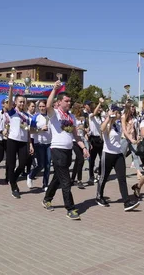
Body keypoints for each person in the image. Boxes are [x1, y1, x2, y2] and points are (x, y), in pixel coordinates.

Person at [41, 82, 89, 220]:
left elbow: (76, 135)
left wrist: (83, 147)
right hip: (57, 150)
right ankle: (70, 208)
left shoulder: (71, 117)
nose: (69, 103)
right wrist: (55, 89)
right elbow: (48, 105)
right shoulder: (55, 113)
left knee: (58, 177)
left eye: (70, 101)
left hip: (68, 151)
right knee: (66, 181)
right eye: (66, 101)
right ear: (60, 102)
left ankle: (47, 198)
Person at [95, 104, 140, 211]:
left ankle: (126, 202)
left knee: (122, 178)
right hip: (108, 153)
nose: (120, 114)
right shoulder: (108, 124)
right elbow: (102, 129)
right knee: (103, 177)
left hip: (118, 154)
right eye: (119, 112)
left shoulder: (118, 124)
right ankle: (99, 196)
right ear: (114, 112)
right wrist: (108, 118)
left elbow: (125, 132)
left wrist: (132, 139)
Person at [5, 85, 33, 199]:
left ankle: (13, 179)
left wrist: (30, 143)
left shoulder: (27, 116)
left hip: (23, 142)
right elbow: (10, 99)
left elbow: (28, 131)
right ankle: (14, 187)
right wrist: (11, 88)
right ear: (15, 102)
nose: (22, 104)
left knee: (22, 164)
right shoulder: (12, 112)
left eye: (23, 102)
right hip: (12, 141)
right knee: (11, 165)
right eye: (20, 102)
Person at [27, 100, 52, 190]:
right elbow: (31, 130)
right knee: (40, 165)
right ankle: (30, 175)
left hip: (49, 144)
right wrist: (41, 129)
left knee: (48, 165)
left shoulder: (51, 116)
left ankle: (45, 184)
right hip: (39, 143)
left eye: (43, 106)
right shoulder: (36, 117)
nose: (42, 108)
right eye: (40, 106)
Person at [86, 99, 104, 185]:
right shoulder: (91, 116)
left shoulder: (100, 118)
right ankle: (91, 176)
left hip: (100, 139)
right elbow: (95, 112)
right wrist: (99, 103)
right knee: (92, 160)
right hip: (93, 139)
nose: (100, 109)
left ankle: (99, 174)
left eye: (101, 108)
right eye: (99, 108)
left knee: (102, 159)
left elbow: (101, 128)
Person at [70, 103, 86, 189]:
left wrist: (85, 130)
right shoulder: (72, 117)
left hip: (82, 140)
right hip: (74, 141)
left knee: (77, 161)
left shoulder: (83, 118)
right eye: (80, 108)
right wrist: (77, 128)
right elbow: (72, 129)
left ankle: (72, 179)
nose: (82, 110)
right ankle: (79, 180)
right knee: (81, 159)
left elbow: (85, 130)